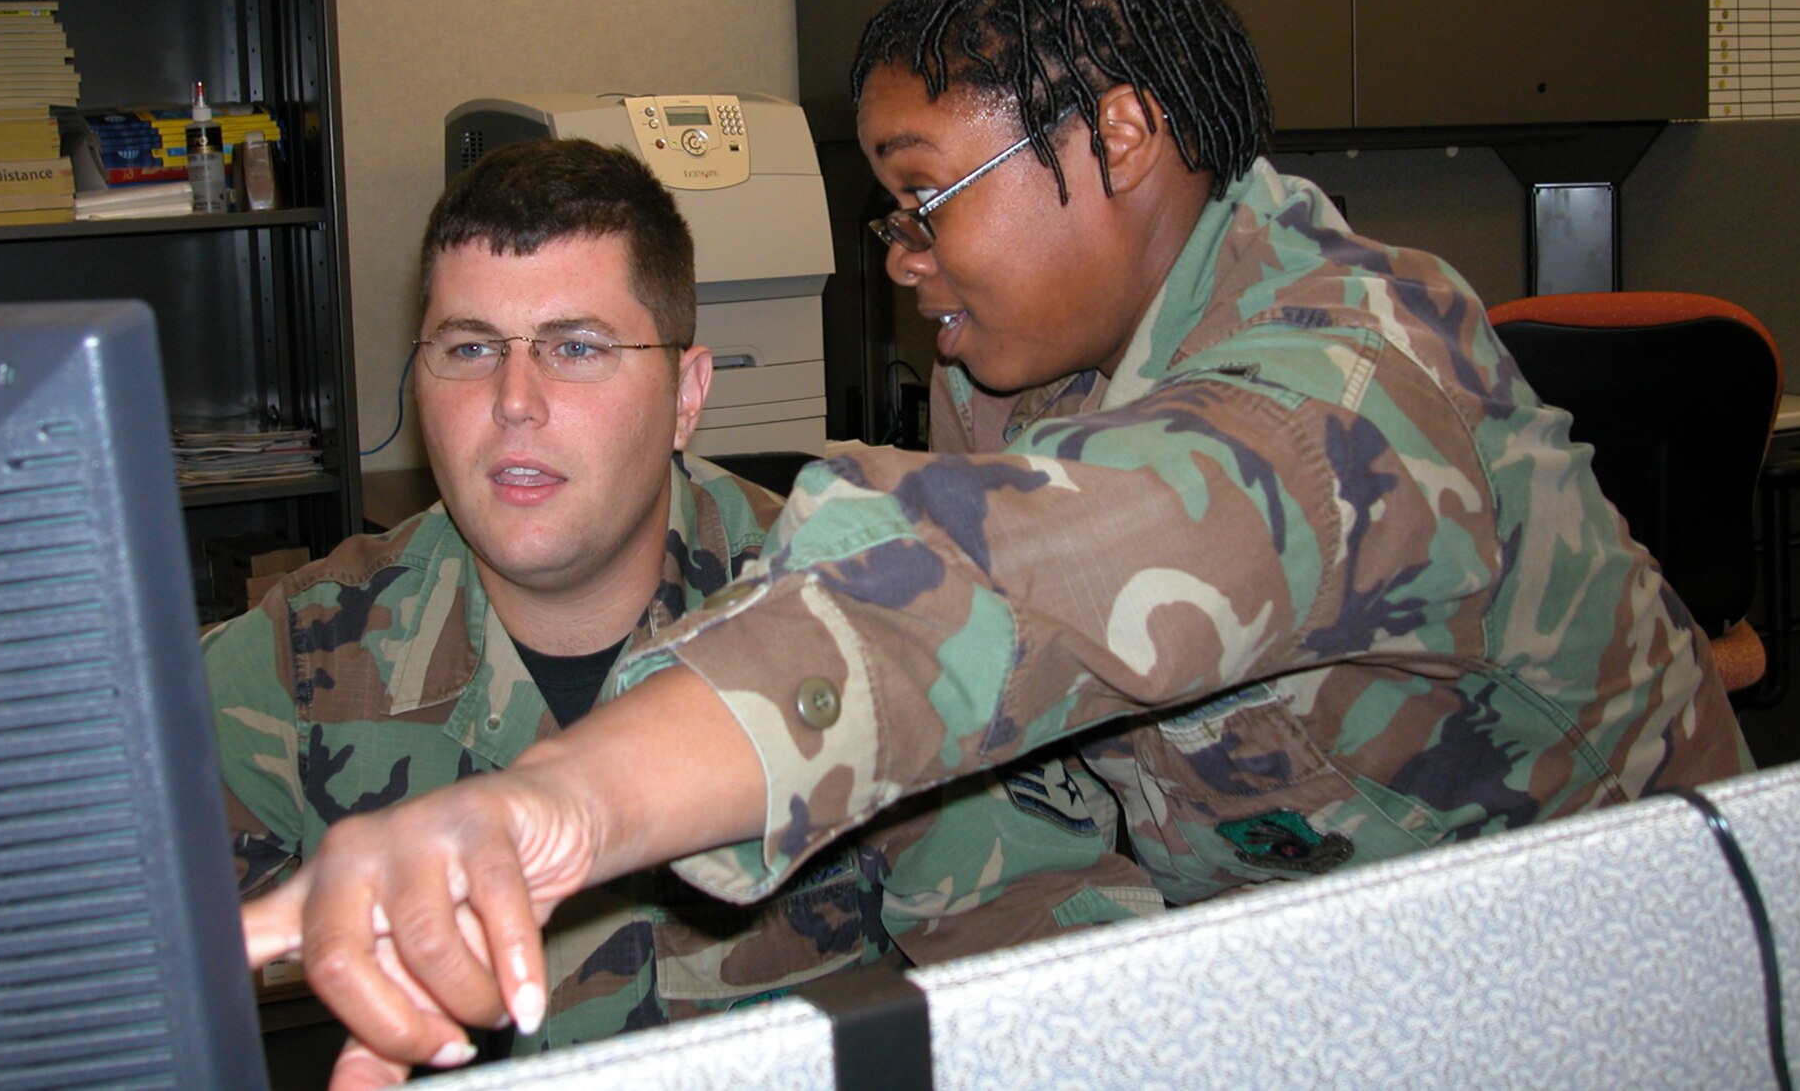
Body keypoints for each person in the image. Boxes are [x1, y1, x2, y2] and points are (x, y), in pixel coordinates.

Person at [242, 0, 1750, 1071]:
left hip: (1605, 986)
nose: (902, 259)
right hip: (1299, 963)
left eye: (924, 197)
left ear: (1118, 132)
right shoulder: (1012, 378)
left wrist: (543, 809)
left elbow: (972, 604)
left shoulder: (1339, 402)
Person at [209, 135, 1158, 1080]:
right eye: (470, 347)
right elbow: (92, 953)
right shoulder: (306, 654)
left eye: (575, 347)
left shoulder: (851, 614)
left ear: (686, 395)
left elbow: (1069, 983)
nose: (513, 401)